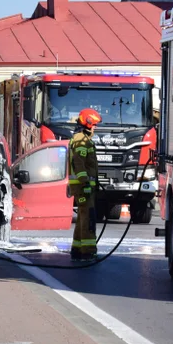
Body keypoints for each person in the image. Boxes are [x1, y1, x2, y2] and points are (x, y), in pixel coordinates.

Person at [68, 108, 102, 261]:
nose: (95, 128)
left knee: (83, 217)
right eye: (94, 125)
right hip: (83, 187)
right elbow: (79, 163)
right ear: (87, 124)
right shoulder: (81, 140)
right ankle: (88, 251)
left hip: (82, 186)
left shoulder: (81, 138)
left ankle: (77, 249)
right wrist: (86, 183)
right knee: (88, 218)